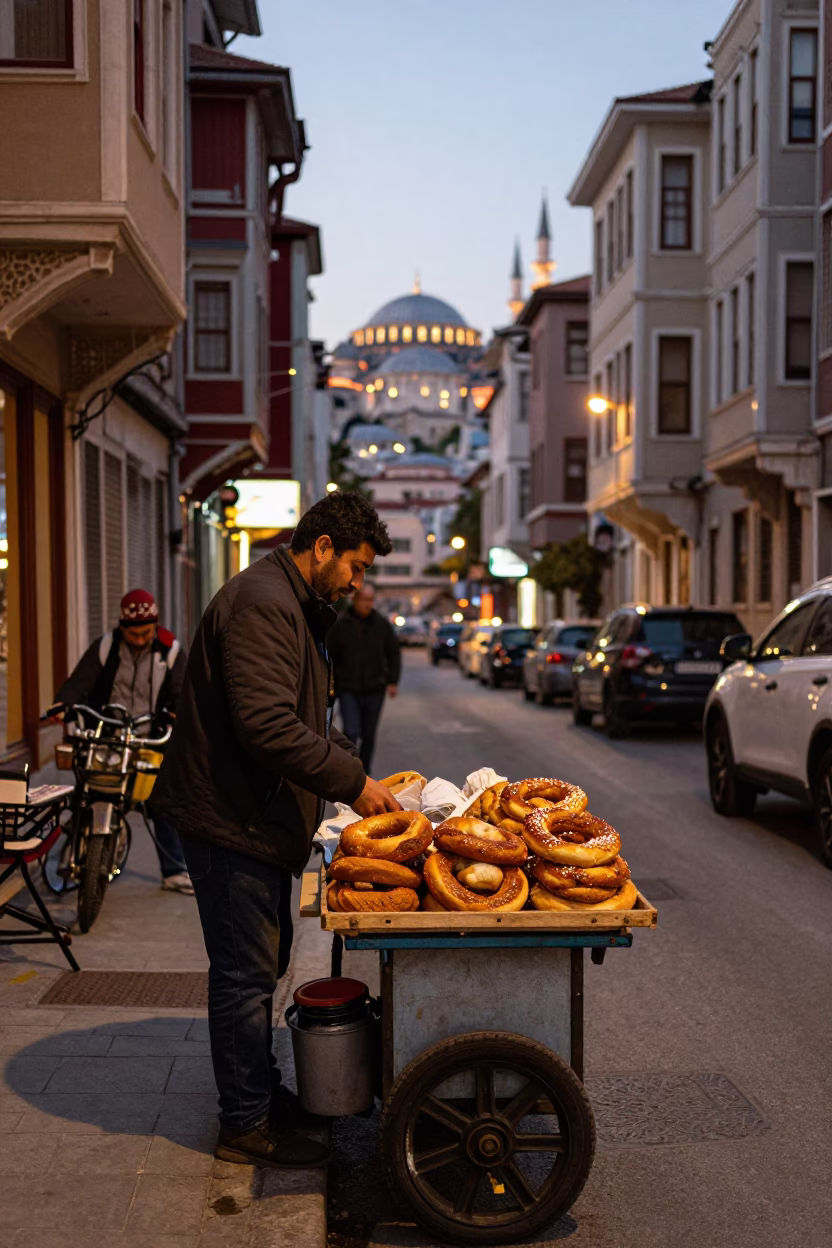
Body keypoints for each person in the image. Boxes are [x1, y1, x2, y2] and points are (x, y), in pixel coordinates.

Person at [152, 490, 402, 1171]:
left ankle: (261, 1097)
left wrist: (345, 758)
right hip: (232, 819)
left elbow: (303, 714)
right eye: (354, 564)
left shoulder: (289, 601)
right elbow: (264, 725)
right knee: (244, 976)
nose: (358, 581)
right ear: (322, 547)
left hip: (253, 818)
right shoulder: (266, 601)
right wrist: (351, 780)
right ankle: (246, 1125)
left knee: (260, 969)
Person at [53, 588, 192, 894]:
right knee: (87, 793)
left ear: (155, 626)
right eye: (133, 634)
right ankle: (74, 856)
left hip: (147, 738)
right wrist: (64, 704)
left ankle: (173, 871)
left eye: (145, 633)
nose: (139, 639)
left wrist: (174, 717)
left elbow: (183, 693)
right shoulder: (106, 646)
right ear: (122, 627)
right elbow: (79, 682)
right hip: (107, 734)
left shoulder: (170, 651)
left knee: (161, 802)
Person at [327, 584, 401, 774]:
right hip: (348, 688)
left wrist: (392, 681)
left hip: (374, 688)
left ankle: (364, 771)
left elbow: (393, 653)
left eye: (371, 600)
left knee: (368, 735)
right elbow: (330, 655)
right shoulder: (340, 624)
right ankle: (351, 770)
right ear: (355, 600)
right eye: (365, 600)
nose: (369, 604)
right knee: (350, 732)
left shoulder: (381, 624)